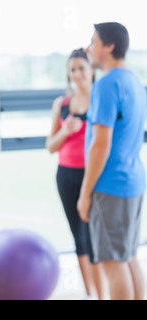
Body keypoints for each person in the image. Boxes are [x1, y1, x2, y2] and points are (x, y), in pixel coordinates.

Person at [77, 22, 146, 300]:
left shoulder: (106, 84)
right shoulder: (134, 81)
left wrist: (85, 193)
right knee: (128, 257)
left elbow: (100, 145)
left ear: (109, 46)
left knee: (112, 264)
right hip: (132, 182)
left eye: (93, 42)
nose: (88, 49)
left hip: (111, 185)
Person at [46, 48, 106, 299]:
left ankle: (104, 294)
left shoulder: (101, 101)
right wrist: (65, 131)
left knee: (95, 240)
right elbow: (51, 146)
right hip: (66, 176)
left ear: (92, 70)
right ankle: (91, 294)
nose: (77, 74)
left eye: (82, 68)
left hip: (93, 176)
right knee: (78, 239)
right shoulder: (62, 104)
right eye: (72, 69)